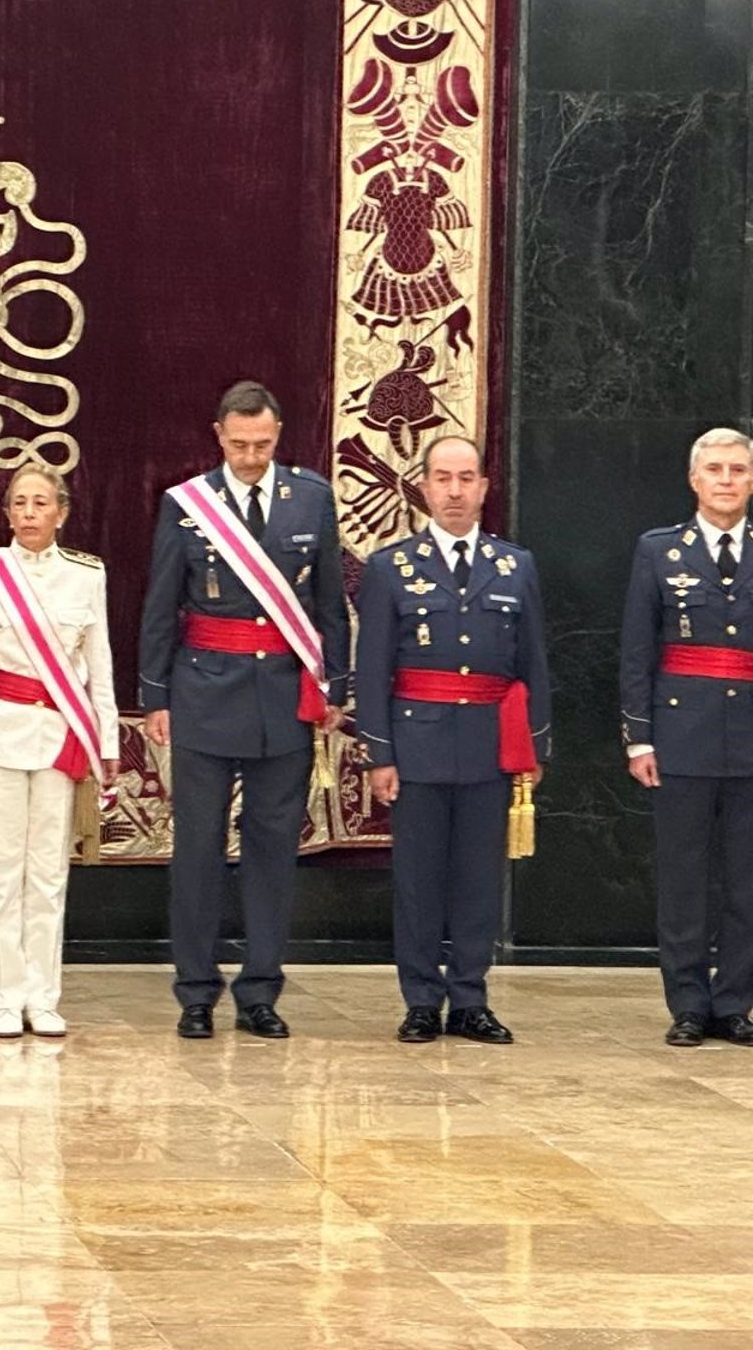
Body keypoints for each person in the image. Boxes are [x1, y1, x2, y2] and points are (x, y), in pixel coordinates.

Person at [137, 381, 349, 1039]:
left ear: (278, 435)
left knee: (272, 851)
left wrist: (334, 687)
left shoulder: (310, 498)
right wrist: (156, 696)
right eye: (239, 445)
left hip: (283, 699)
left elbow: (330, 605)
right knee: (197, 851)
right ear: (218, 435)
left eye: (262, 445)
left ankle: (260, 990)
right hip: (203, 692)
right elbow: (161, 603)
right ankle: (196, 992)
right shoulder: (187, 505)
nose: (251, 457)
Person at [357, 436, 551, 1044]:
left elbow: (533, 665)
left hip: (489, 746)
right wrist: (379, 754)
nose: (455, 491)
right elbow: (372, 669)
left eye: (466, 478)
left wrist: (535, 749)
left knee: (478, 881)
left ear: (485, 488)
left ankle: (470, 997)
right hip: (417, 744)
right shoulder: (392, 567)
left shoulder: (514, 566)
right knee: (417, 880)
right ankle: (420, 999)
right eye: (443, 478)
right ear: (424, 486)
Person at [0, 466, 116, 1039]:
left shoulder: (87, 576)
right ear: (8, 513)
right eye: (20, 503)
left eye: (41, 503)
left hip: (59, 735)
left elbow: (101, 667)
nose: (30, 513)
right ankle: (2, 996)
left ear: (61, 511)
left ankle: (42, 995)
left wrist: (106, 741)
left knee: (47, 874)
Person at [621, 427, 753, 1048]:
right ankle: (689, 1004)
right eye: (716, 470)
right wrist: (639, 739)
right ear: (694, 480)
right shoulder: (659, 552)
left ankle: (735, 1002)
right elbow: (637, 651)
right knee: (683, 880)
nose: (727, 480)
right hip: (681, 737)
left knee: (746, 880)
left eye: (738, 470)